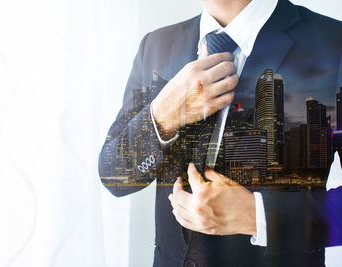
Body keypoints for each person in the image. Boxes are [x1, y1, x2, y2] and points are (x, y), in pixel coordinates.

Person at [99, 0, 342, 266]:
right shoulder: (156, 46)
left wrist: (256, 216)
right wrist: (162, 115)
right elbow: (116, 177)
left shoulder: (334, 44)